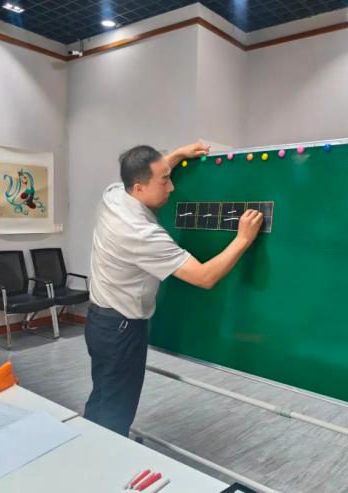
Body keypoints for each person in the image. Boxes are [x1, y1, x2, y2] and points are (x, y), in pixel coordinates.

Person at [84, 142, 263, 436]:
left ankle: (91, 445)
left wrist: (178, 155)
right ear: (139, 188)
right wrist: (242, 239)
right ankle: (109, 456)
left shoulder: (114, 194)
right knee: (117, 409)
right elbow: (204, 277)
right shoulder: (141, 234)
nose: (172, 187)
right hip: (121, 330)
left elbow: (148, 171)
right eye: (164, 180)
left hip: (99, 322)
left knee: (103, 394)